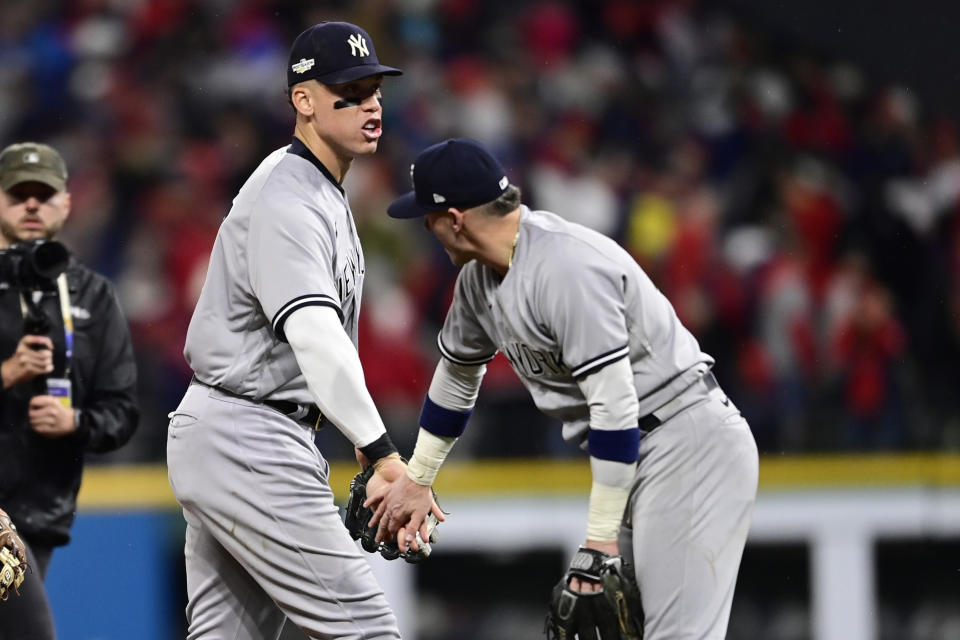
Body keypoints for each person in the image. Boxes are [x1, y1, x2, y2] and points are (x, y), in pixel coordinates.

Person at [371, 138, 760, 639]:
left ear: (456, 217)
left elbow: (615, 404)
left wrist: (599, 539)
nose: (425, 226)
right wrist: (418, 477)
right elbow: (456, 376)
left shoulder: (564, 267)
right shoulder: (477, 281)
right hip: (635, 450)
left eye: (428, 214)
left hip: (686, 440)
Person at [166, 22, 432, 639]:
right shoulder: (288, 197)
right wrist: (381, 452)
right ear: (303, 100)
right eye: (350, 90)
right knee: (368, 632)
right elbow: (313, 335)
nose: (370, 103)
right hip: (248, 434)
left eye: (375, 89)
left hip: (244, 430)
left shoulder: (323, 191)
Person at [0, 141, 139, 639]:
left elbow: (122, 410)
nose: (32, 204)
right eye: (19, 194)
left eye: (45, 194)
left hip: (43, 513)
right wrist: (6, 373)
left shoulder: (93, 295)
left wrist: (76, 422)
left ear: (66, 202)